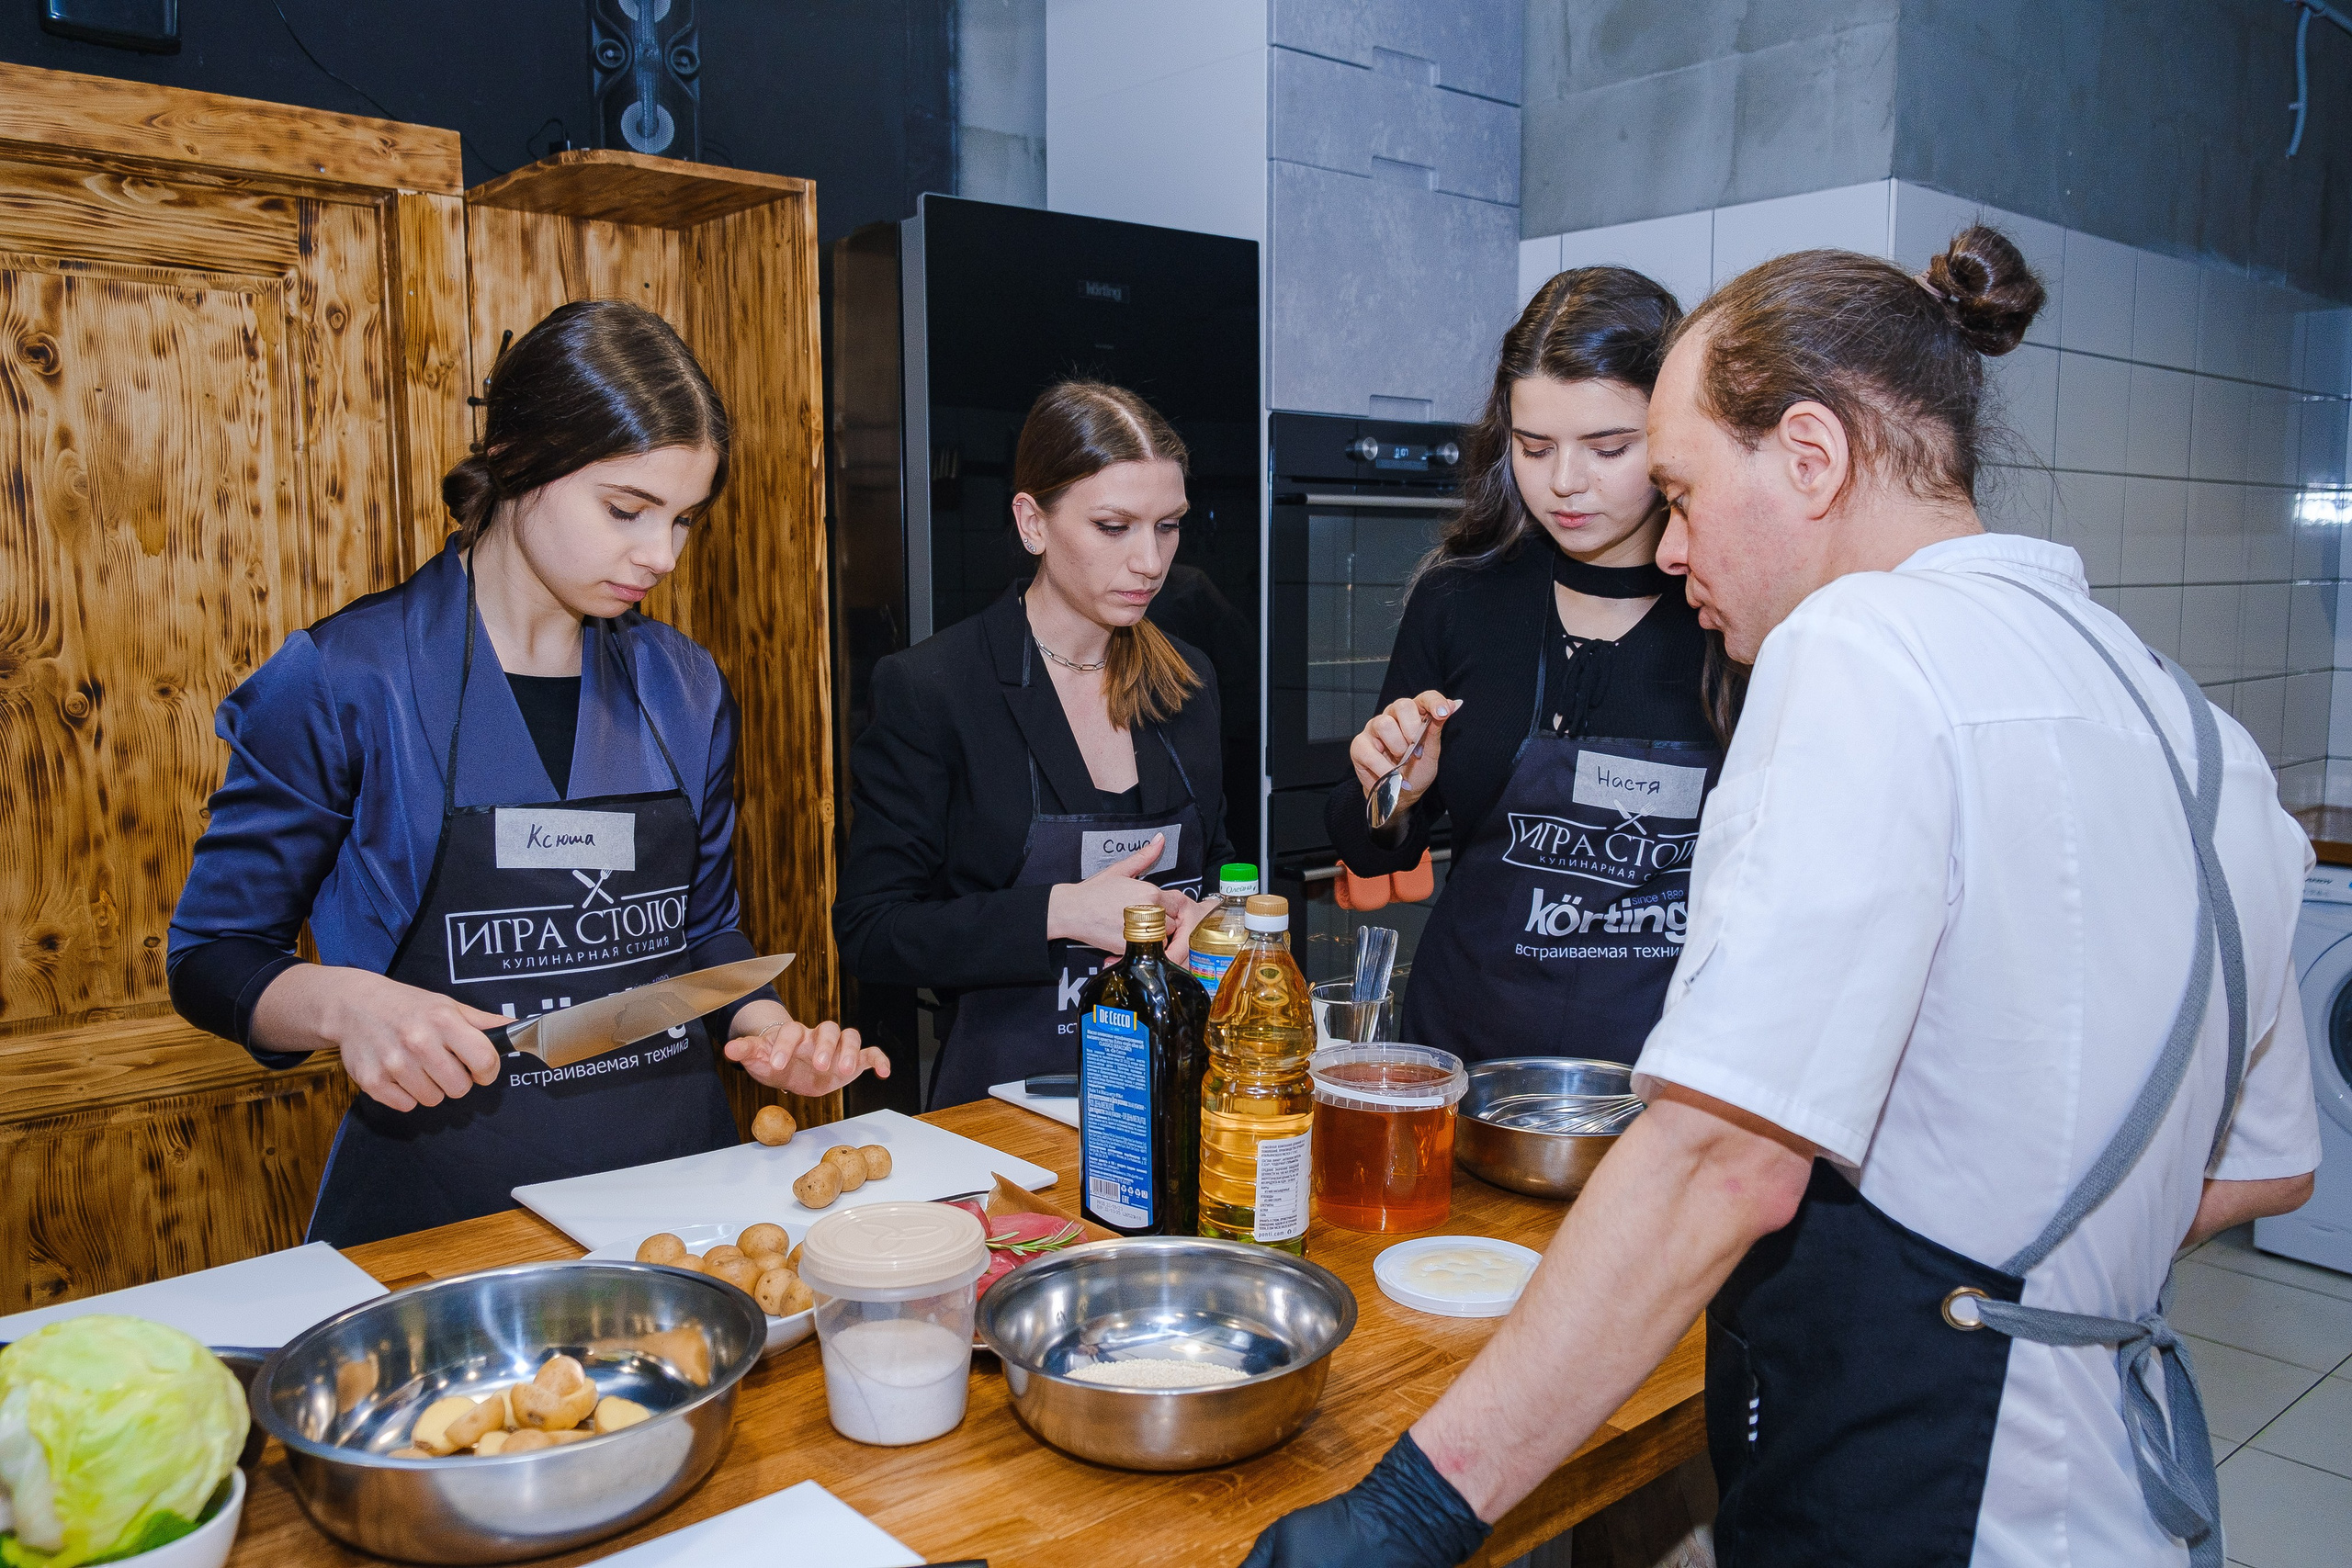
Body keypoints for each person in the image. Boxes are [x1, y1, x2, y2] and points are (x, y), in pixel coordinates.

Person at [1244, 228, 2322, 1567]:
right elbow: (2267, 1162)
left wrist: (1411, 1512)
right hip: (2129, 1485)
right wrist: (2041, 1255)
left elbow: (1723, 1162)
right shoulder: (2201, 734)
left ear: (1811, 457)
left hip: (1929, 1487)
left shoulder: (1859, 648)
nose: (1674, 548)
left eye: (1681, 489)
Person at [167, 300, 884, 1247]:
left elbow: (704, 930)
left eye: (683, 520)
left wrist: (764, 1027)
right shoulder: (349, 676)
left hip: (681, 1189)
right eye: (626, 510)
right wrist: (348, 1005)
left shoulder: (684, 684)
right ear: (514, 456)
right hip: (446, 1208)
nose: (660, 555)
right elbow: (212, 957)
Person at [1329, 267, 1743, 1065]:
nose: (1564, 483)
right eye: (1534, 445)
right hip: (1464, 1057)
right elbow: (1374, 845)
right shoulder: (1462, 599)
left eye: (1609, 447)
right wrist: (1391, 795)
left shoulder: (1731, 615)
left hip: (1656, 1081)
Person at [834, 380, 1229, 1109]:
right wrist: (1061, 913)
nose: (1150, 560)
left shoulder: (1188, 680)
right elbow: (874, 931)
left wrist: (1218, 920)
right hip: (1002, 1114)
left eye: (1168, 526)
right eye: (1114, 527)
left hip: (1170, 1094)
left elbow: (1217, 870)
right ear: (1032, 521)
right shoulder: (934, 688)